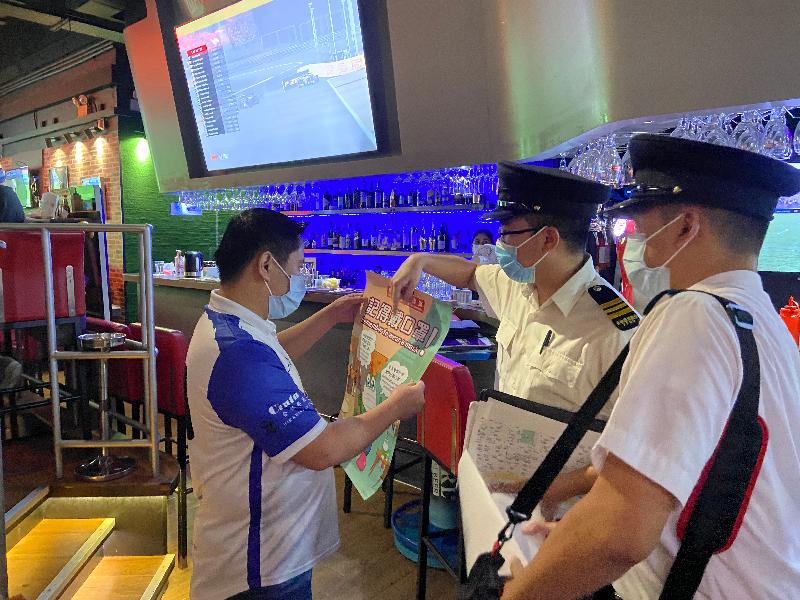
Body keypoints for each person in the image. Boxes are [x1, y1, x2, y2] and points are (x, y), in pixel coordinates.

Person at [501, 134, 800, 599]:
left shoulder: (693, 314)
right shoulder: (761, 320)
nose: (634, 233)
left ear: (686, 226)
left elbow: (619, 532)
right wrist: (569, 527)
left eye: (643, 216)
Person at [186, 209, 425, 600]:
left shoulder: (229, 325)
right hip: (260, 567)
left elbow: (272, 353)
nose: (301, 277)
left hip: (264, 548)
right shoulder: (239, 355)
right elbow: (323, 450)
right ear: (266, 265)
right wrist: (397, 406)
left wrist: (331, 315)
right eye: (298, 266)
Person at [392, 161, 639, 416]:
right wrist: (420, 261)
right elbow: (471, 275)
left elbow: (630, 433)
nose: (501, 244)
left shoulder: (614, 332)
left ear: (548, 239)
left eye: (507, 233)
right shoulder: (517, 285)